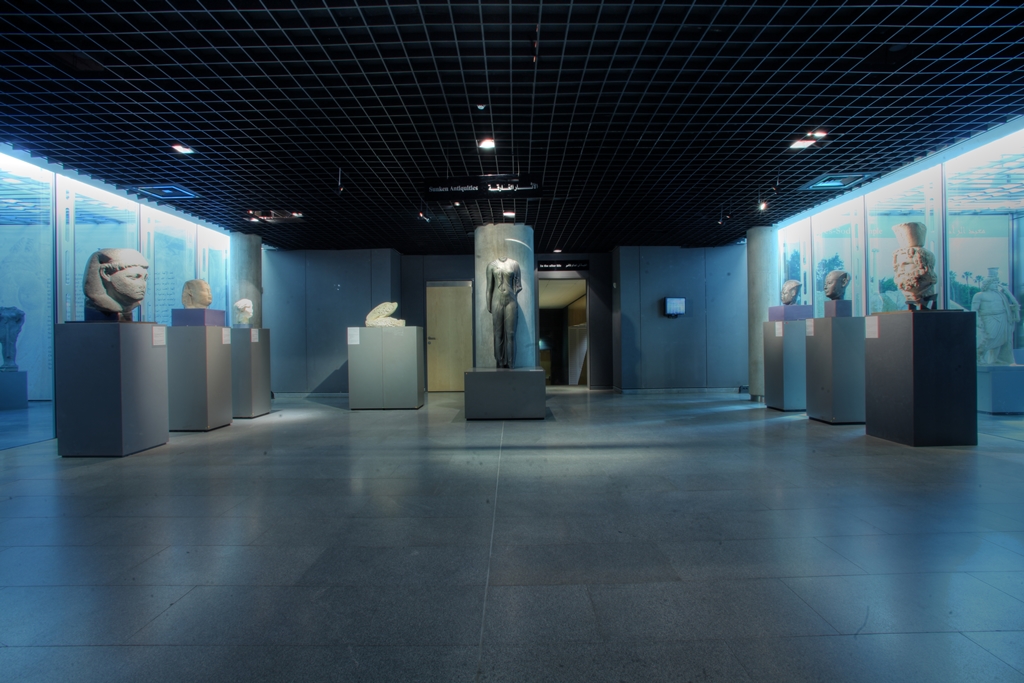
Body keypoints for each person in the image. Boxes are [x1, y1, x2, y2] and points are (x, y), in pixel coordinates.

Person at [972, 269, 1020, 365]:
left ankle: (995, 359)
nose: (996, 285)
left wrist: (1011, 307)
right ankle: (979, 355)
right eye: (994, 283)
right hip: (988, 318)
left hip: (1002, 317)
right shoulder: (980, 295)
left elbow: (1006, 306)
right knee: (990, 337)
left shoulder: (1000, 295)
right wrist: (977, 320)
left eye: (997, 283)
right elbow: (974, 309)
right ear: (987, 284)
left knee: (1001, 339)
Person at [486, 257, 521, 368]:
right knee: (498, 334)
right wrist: (488, 305)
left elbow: (517, 286)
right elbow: (489, 288)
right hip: (496, 300)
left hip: (511, 300)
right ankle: (500, 362)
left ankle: (511, 363)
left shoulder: (514, 264)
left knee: (511, 334)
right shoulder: (491, 265)